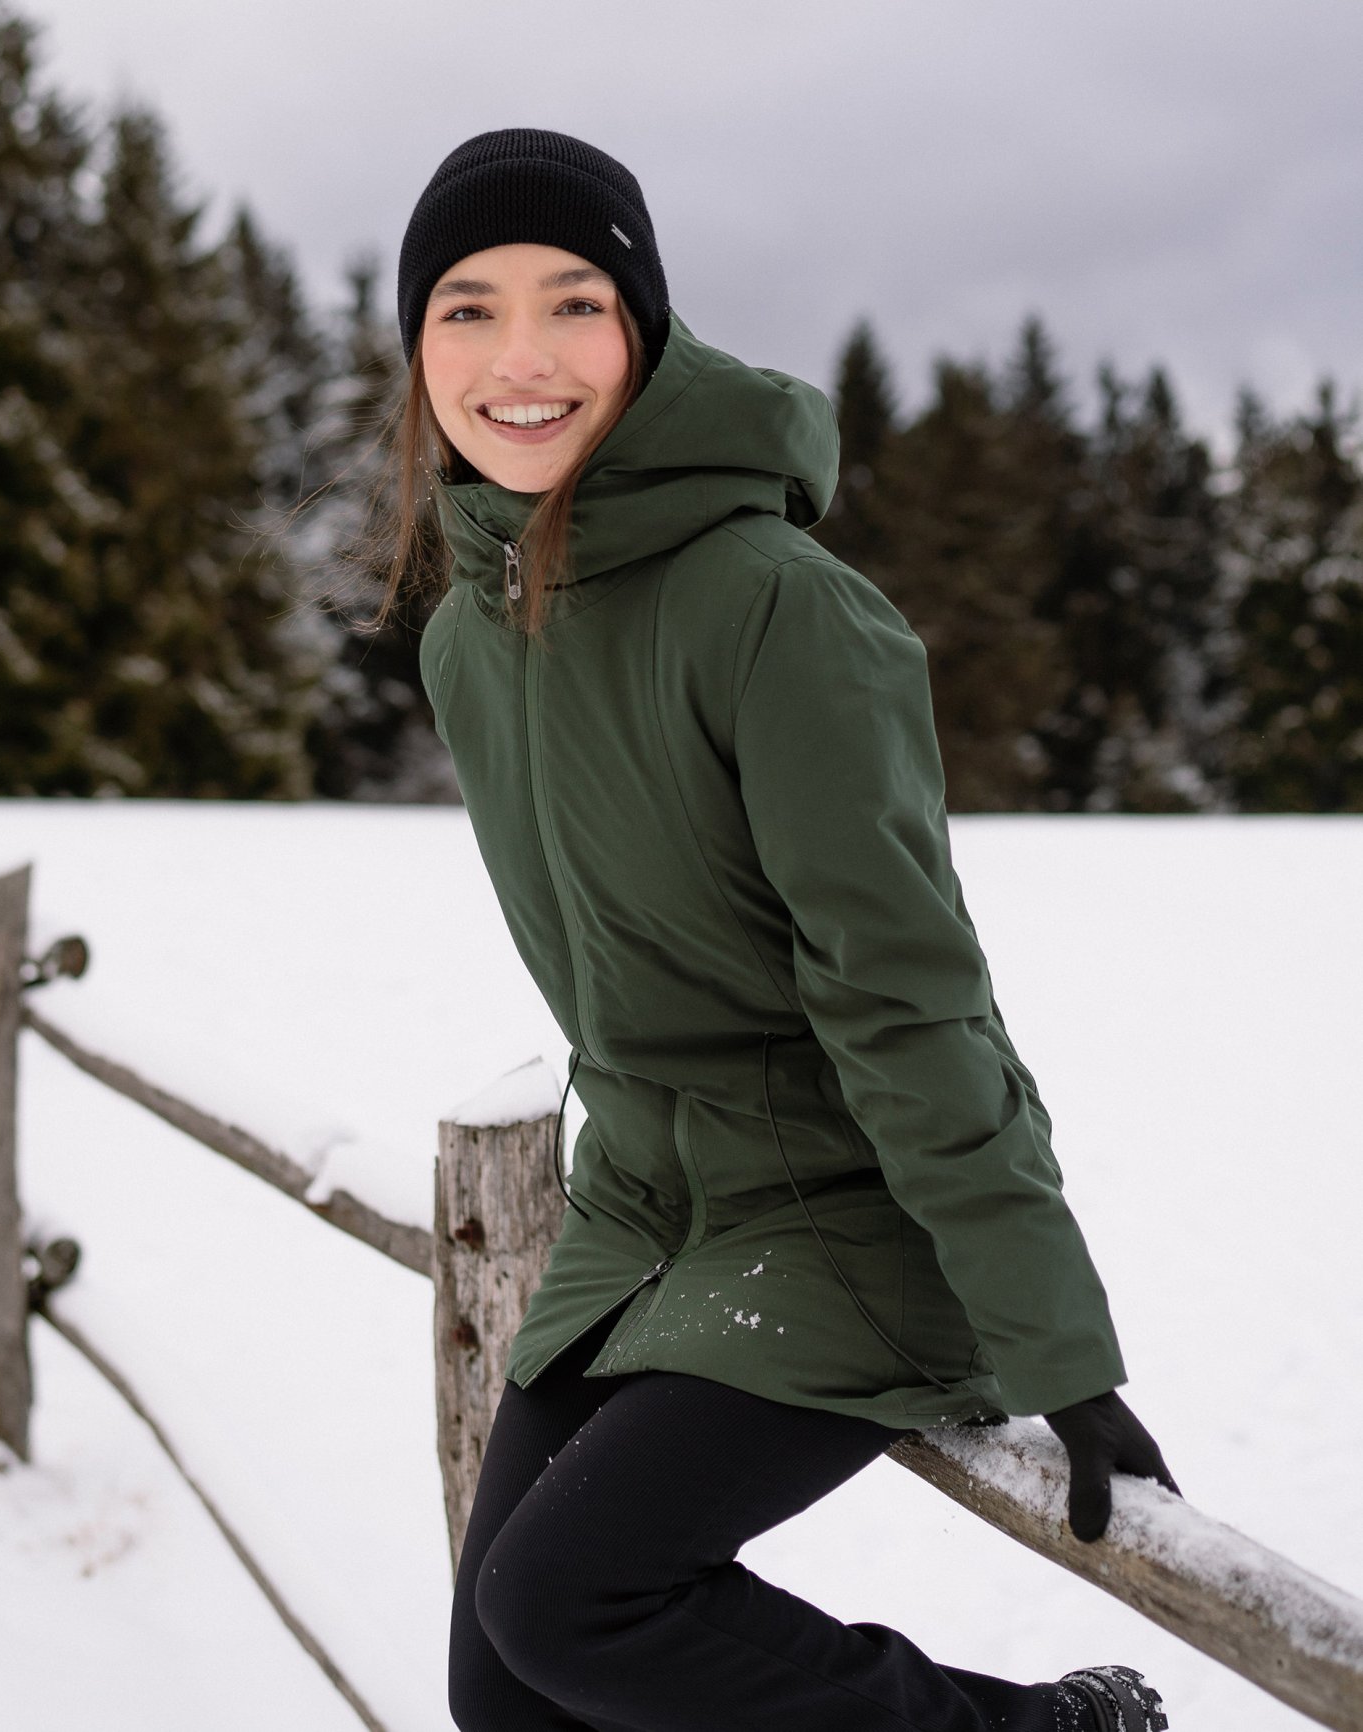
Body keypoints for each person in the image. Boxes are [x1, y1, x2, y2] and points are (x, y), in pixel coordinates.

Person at [389, 127, 1180, 1732]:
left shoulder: (777, 606)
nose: (519, 358)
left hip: (850, 1213)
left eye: (573, 303)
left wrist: (1053, 1342)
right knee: (505, 1694)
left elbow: (907, 999)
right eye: (467, 309)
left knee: (574, 1603)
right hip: (647, 1210)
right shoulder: (471, 638)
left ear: (645, 330)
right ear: (417, 349)